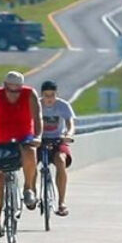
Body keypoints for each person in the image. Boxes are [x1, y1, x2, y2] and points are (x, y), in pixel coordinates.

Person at [0, 70, 39, 239]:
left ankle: (28, 188)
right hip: (1, 139)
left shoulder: (30, 94)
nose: (14, 94)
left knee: (30, 151)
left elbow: (37, 117)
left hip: (24, 136)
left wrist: (38, 136)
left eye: (17, 90)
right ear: (4, 87)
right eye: (10, 90)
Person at [37, 80, 77, 217]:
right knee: (28, 160)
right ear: (42, 95)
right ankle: (29, 190)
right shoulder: (36, 105)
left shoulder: (63, 106)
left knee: (60, 160)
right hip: (39, 139)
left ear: (56, 94)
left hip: (57, 139)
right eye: (46, 95)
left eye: (52, 95)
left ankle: (61, 202)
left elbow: (70, 123)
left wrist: (69, 134)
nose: (49, 99)